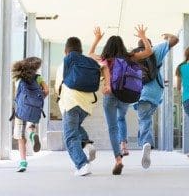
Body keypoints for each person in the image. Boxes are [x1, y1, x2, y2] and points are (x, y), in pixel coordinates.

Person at [89, 25, 153, 175]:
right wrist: (143, 36)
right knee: (121, 117)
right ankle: (124, 143)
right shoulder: (130, 57)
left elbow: (91, 53)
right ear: (122, 46)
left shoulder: (105, 59)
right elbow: (149, 51)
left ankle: (118, 159)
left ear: (108, 47)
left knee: (113, 128)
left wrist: (97, 38)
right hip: (125, 95)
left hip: (109, 95)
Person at [55, 37, 105, 176]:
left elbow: (58, 87)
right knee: (76, 127)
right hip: (86, 105)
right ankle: (87, 144)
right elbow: (101, 74)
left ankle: (82, 165)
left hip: (70, 103)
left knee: (70, 136)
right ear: (80, 50)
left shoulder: (64, 64)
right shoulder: (89, 62)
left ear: (66, 51)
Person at [133, 34, 179, 169]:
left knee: (144, 120)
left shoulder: (133, 55)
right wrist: (167, 36)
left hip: (141, 94)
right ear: (149, 44)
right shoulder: (155, 51)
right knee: (146, 119)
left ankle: (146, 143)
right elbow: (175, 40)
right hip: (156, 93)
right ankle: (144, 141)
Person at [12, 57, 49, 172]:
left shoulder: (19, 78)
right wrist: (39, 99)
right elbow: (46, 90)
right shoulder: (38, 78)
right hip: (34, 108)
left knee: (20, 137)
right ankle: (33, 135)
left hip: (21, 110)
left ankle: (23, 162)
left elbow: (18, 94)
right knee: (30, 128)